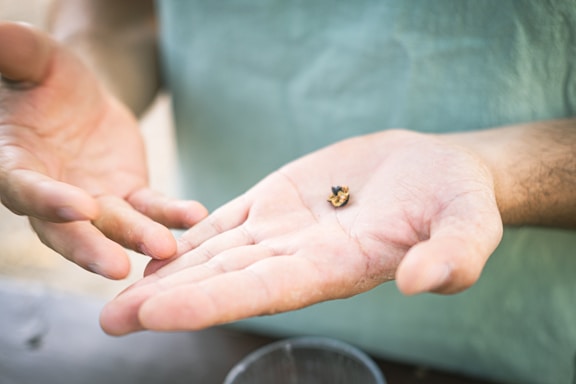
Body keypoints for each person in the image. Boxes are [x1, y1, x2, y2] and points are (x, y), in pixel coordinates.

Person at [1, 1, 575, 383]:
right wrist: (96, 80)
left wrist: (500, 169)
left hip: (508, 345)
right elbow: (116, 17)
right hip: (233, 269)